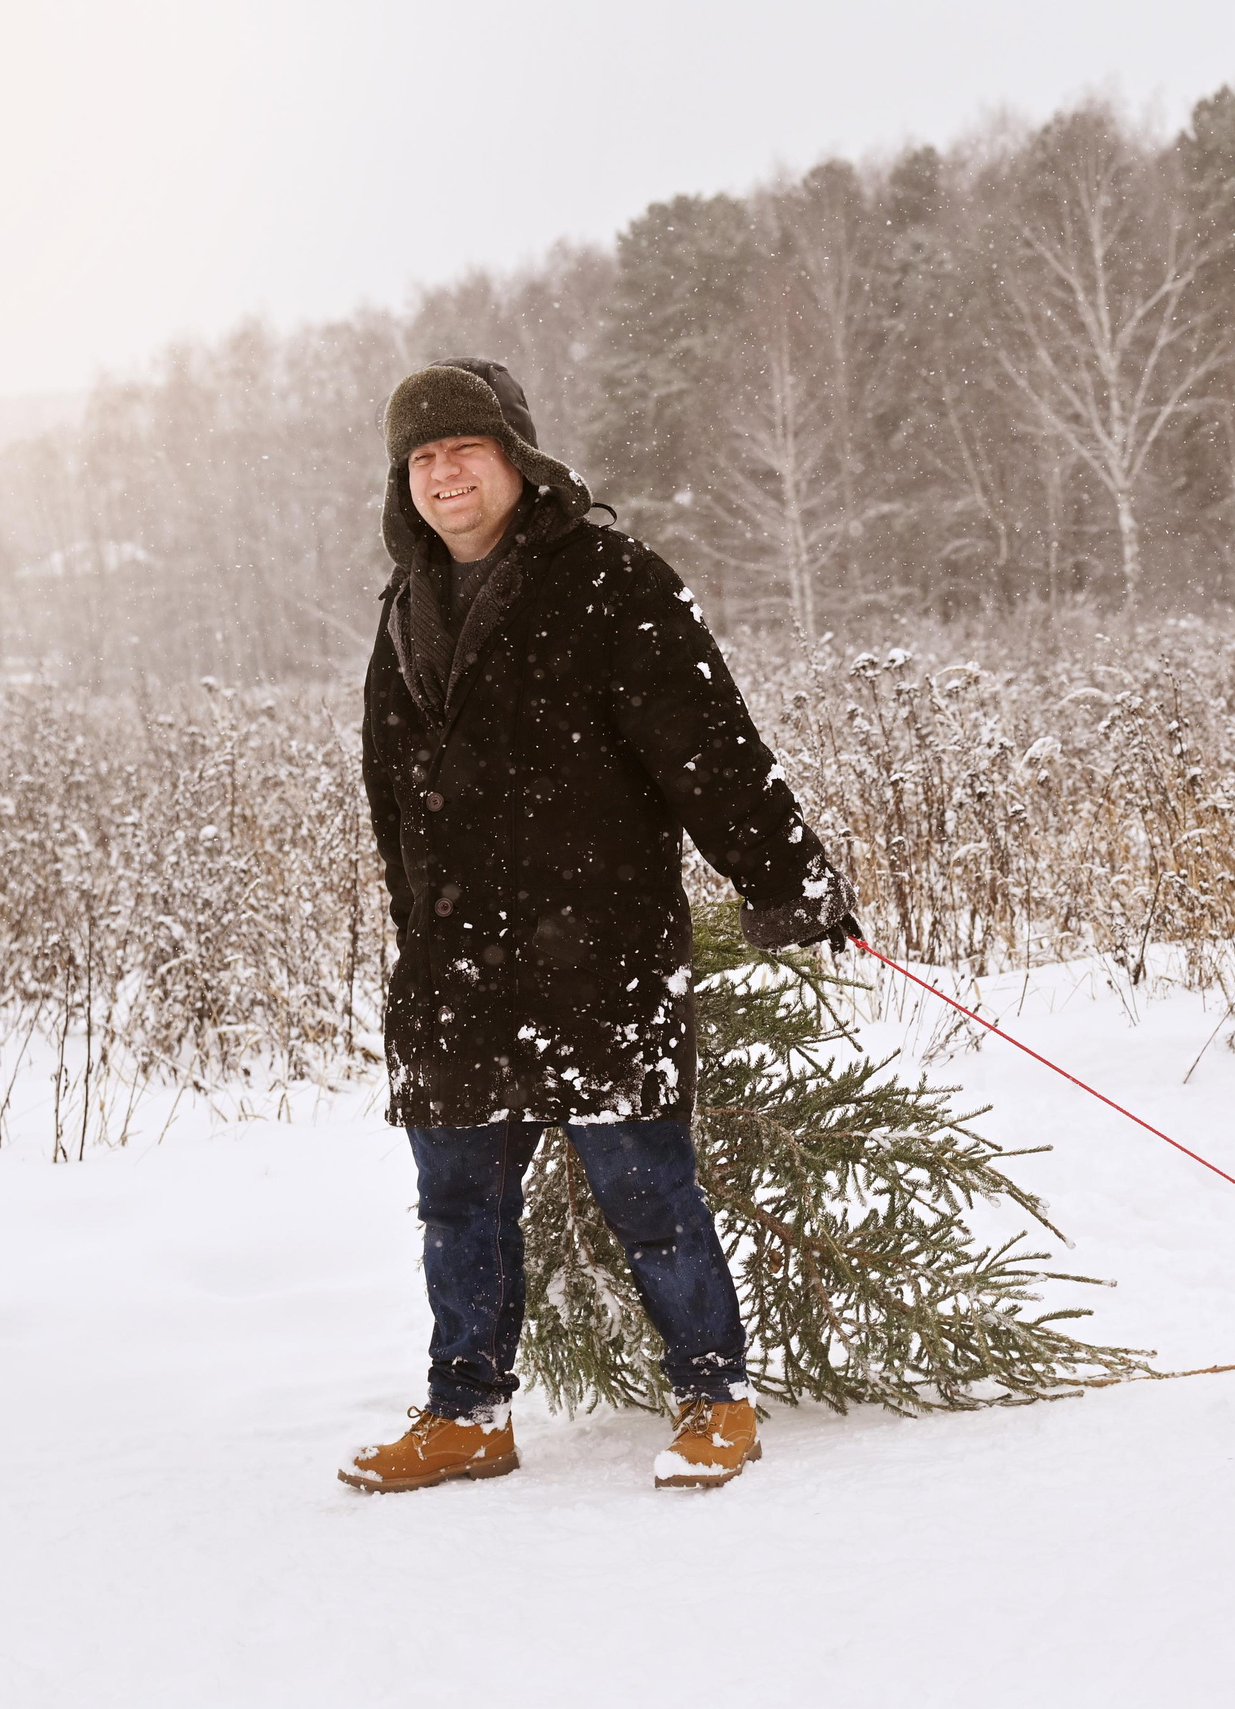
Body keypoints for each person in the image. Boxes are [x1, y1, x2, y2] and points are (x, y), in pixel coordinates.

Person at [341, 358, 856, 1492]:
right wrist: (418, 920)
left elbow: (707, 745)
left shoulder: (611, 580)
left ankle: (715, 1393)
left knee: (647, 1189)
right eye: (422, 458)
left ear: (517, 458)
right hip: (457, 969)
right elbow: (388, 789)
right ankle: (467, 1411)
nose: (444, 473)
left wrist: (787, 875)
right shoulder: (405, 608)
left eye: (464, 449)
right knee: (457, 1204)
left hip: (597, 952)